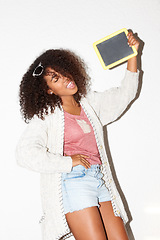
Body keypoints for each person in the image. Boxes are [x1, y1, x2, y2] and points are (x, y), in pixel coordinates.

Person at [16, 32, 140, 240]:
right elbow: (24, 153)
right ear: (49, 91)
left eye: (64, 73)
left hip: (100, 180)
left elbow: (123, 96)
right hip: (74, 183)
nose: (65, 79)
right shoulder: (48, 117)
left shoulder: (89, 104)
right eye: (56, 79)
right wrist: (68, 162)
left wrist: (132, 57)